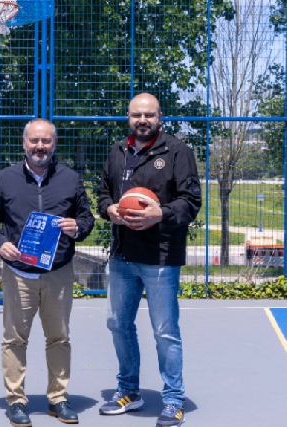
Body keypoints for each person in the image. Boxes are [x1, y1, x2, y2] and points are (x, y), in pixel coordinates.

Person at [0, 118, 95, 427]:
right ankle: (16, 401)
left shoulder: (70, 179)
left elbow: (87, 217)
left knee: (59, 337)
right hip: (19, 273)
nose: (40, 147)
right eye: (34, 141)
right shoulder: (5, 179)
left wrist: (78, 227)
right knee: (14, 339)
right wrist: (0, 242)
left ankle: (58, 398)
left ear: (54, 144)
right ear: (24, 143)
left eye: (46, 141)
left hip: (58, 271)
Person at [97, 93, 202, 427]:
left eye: (149, 115)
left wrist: (163, 213)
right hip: (123, 256)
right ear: (128, 117)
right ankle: (130, 390)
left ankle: (173, 399)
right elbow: (102, 194)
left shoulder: (177, 151)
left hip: (160, 257)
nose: (142, 120)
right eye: (136, 115)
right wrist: (109, 209)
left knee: (164, 331)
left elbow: (191, 200)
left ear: (160, 117)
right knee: (118, 324)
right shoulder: (117, 152)